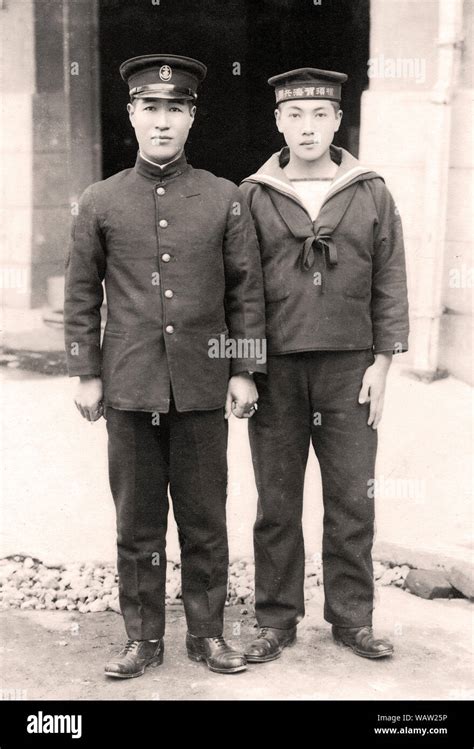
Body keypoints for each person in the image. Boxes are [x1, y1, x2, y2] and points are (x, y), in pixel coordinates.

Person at [64, 54, 266, 678]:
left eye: (174, 109)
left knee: (205, 518)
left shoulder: (225, 198)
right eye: (149, 108)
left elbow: (245, 292)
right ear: (131, 114)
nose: (161, 121)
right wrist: (86, 370)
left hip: (204, 387)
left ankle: (206, 636)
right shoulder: (100, 200)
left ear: (191, 118)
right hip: (129, 386)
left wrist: (242, 368)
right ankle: (142, 638)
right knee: (138, 522)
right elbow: (81, 292)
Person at [239, 67, 409, 662]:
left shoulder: (371, 191)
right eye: (294, 115)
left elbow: (389, 279)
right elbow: (241, 288)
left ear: (338, 120)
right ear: (278, 121)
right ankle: (276, 620)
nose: (306, 127)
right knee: (277, 501)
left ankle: (352, 618)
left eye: (319, 115)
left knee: (351, 499)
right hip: (278, 371)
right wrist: (244, 368)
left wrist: (382, 363)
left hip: (349, 369)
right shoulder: (254, 195)